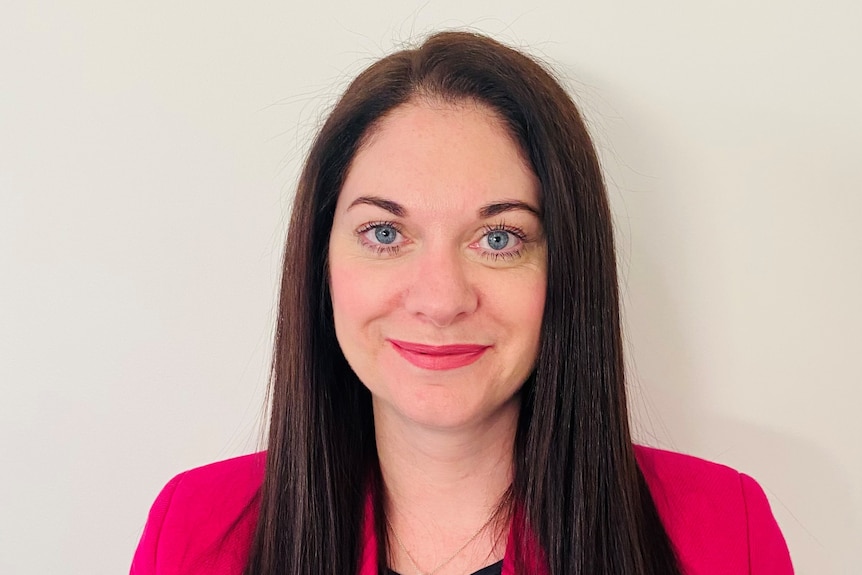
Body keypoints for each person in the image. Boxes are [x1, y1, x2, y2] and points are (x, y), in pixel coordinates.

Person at [130, 31, 794, 575]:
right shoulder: (194, 531)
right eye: (385, 233)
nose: (441, 298)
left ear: (567, 266)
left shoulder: (722, 533)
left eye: (499, 238)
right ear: (320, 261)